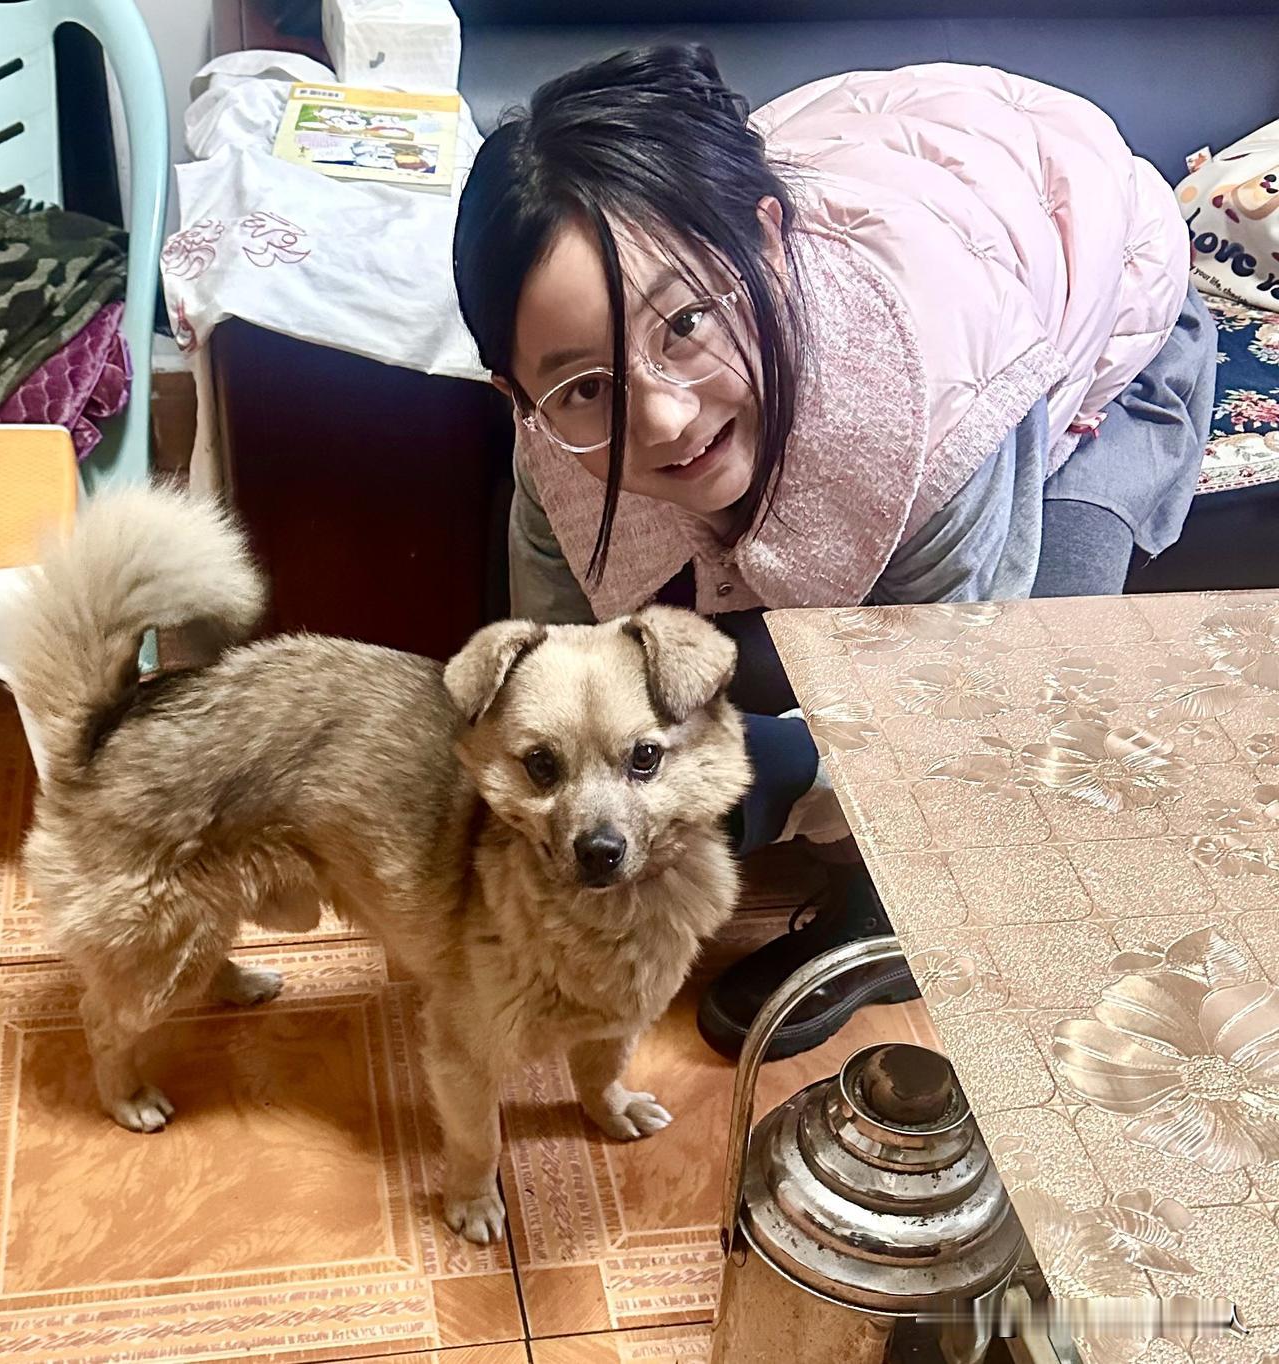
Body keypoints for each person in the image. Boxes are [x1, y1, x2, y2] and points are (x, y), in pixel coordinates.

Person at [450, 46, 1216, 1060]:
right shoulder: (556, 429)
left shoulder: (934, 402)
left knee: (1027, 702)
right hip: (927, 179)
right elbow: (560, 664)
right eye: (588, 387)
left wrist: (794, 780)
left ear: (767, 245)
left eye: (686, 324)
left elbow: (944, 707)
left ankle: (877, 924)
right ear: (522, 395)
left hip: (1086, 299)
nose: (664, 418)